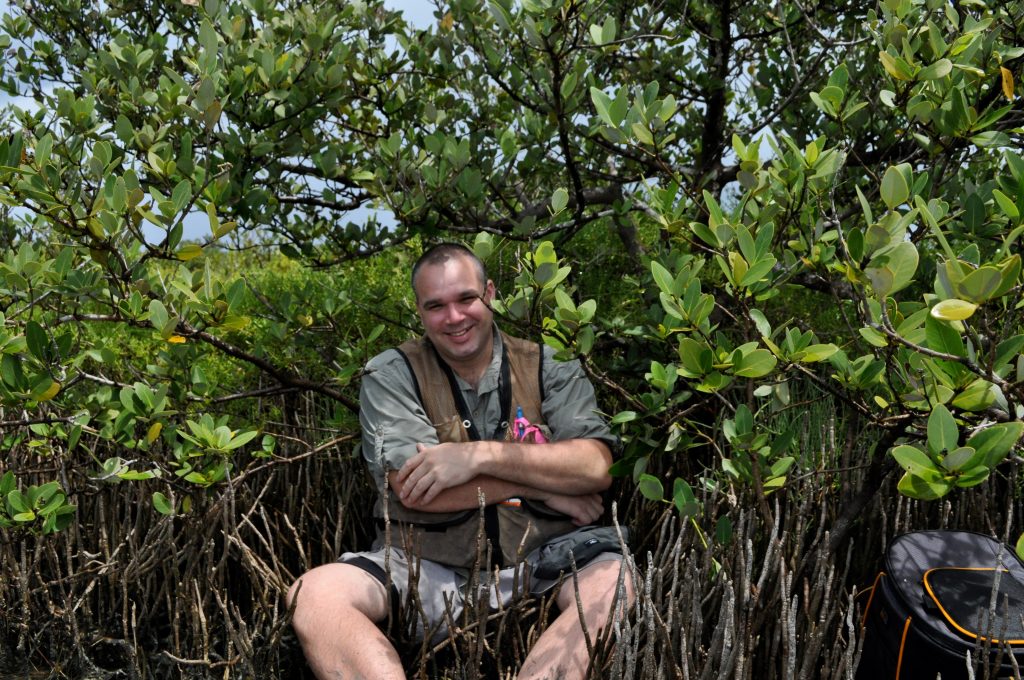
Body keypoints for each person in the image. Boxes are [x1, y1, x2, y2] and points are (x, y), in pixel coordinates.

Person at [287, 243, 633, 679]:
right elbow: (418, 491)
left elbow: (596, 467)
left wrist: (476, 456)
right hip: (425, 565)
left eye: (466, 298)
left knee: (615, 582)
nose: (454, 318)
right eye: (436, 306)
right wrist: (540, 483)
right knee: (314, 595)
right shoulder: (391, 374)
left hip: (548, 556)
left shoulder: (552, 365)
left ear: (489, 293)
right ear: (419, 311)